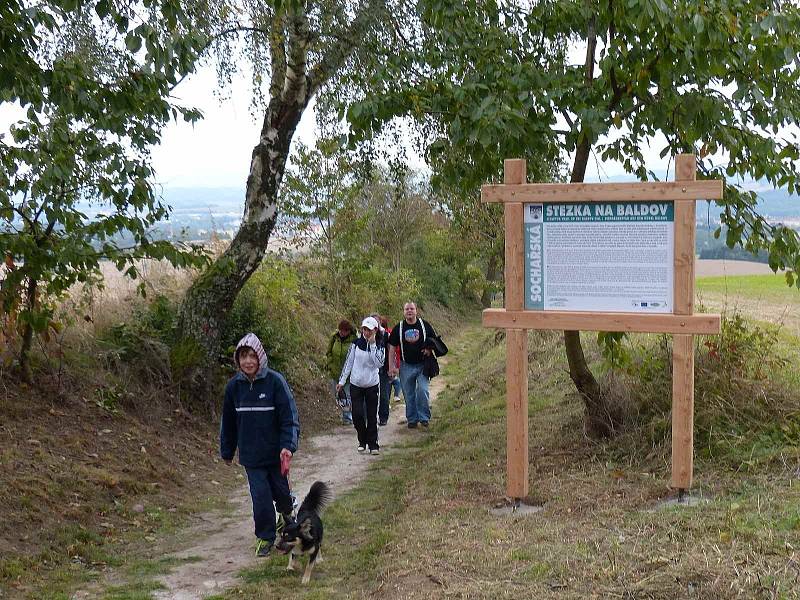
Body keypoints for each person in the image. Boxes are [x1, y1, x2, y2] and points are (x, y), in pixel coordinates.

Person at [220, 333, 300, 558]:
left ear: (260, 357)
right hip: (251, 457)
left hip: (276, 454)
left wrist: (288, 446)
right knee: (261, 498)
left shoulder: (275, 382)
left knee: (282, 494)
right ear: (238, 360)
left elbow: (289, 417)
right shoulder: (234, 388)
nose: (248, 361)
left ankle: (286, 517)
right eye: (243, 357)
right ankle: (265, 537)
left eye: (252, 356)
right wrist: (227, 450)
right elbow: (228, 423)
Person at [338, 316, 385, 454]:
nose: (366, 332)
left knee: (371, 416)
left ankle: (373, 444)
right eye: (364, 329)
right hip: (356, 384)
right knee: (357, 415)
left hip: (372, 384)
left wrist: (372, 345)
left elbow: (379, 364)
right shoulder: (355, 343)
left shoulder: (380, 345)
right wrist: (341, 381)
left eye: (369, 330)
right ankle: (362, 440)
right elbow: (349, 362)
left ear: (375, 330)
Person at [388, 302, 438, 429]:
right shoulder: (398, 328)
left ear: (416, 310)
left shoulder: (424, 325)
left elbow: (434, 340)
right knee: (408, 394)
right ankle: (412, 419)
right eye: (407, 309)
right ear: (403, 312)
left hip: (422, 365)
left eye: (412, 308)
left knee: (423, 390)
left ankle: (424, 417)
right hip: (406, 366)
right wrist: (391, 366)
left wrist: (429, 350)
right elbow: (392, 348)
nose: (409, 311)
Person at [325, 319, 356, 424]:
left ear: (349, 331)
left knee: (347, 395)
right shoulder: (335, 338)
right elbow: (329, 352)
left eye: (344, 331)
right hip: (335, 372)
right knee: (337, 394)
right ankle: (347, 413)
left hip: (349, 375)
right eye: (340, 330)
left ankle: (347, 417)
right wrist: (330, 364)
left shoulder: (355, 340)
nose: (342, 333)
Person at [377, 315, 400, 425]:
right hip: (371, 371)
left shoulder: (386, 335)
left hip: (385, 369)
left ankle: (383, 418)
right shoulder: (364, 336)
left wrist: (393, 368)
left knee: (384, 395)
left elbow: (393, 352)